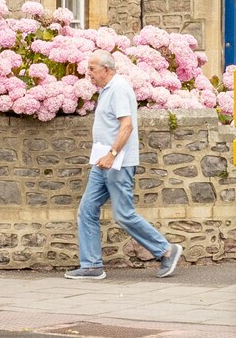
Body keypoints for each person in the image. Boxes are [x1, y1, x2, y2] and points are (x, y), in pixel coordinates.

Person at [65, 53, 184, 280]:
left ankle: (166, 250)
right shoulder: (107, 89)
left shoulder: (119, 88)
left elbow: (127, 126)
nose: (88, 73)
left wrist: (112, 154)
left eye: (92, 68)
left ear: (106, 69)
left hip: (117, 163)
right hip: (103, 162)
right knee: (87, 210)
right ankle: (91, 265)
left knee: (123, 214)